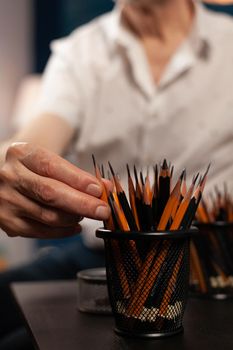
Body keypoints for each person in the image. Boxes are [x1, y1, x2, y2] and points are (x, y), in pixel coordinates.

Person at [0, 0, 232, 348]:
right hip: (99, 254)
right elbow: (31, 142)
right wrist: (7, 163)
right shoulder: (78, 53)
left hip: (208, 262)